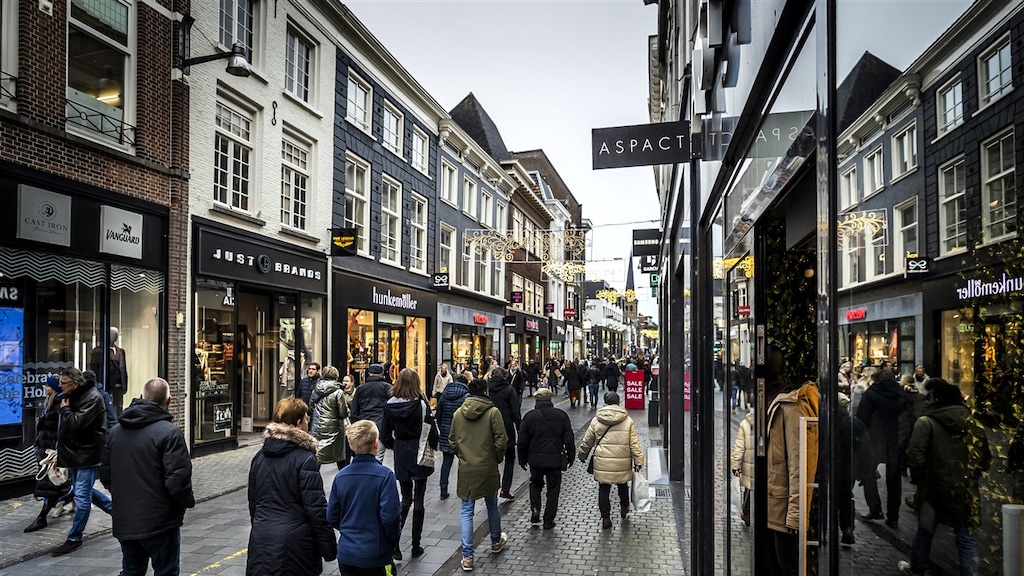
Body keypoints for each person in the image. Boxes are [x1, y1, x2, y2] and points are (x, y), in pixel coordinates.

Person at [100, 377, 195, 576]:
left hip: (126, 519)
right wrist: (184, 503)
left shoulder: (116, 432)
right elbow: (178, 480)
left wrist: (123, 498)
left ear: (141, 396)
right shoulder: (170, 433)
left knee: (132, 571)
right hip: (160, 521)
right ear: (168, 401)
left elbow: (106, 475)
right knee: (166, 571)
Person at [897, 379, 991, 576]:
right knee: (966, 537)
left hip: (933, 488)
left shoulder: (926, 423)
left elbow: (914, 455)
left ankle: (917, 569)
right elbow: (984, 458)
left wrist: (922, 477)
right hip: (965, 489)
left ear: (936, 399)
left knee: (925, 531)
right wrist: (971, 475)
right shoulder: (974, 424)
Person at [246, 397, 336, 576]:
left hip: (261, 540)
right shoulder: (305, 459)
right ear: (299, 423)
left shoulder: (259, 457)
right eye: (306, 419)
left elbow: (254, 502)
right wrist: (329, 548)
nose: (308, 422)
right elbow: (315, 508)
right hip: (295, 545)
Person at [51, 367, 113, 556]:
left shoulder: (92, 398)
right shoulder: (72, 395)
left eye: (63, 383)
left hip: (87, 454)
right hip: (75, 453)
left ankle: (74, 538)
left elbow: (77, 423)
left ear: (75, 384)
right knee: (82, 490)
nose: (59, 385)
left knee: (82, 497)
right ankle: (119, 513)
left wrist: (65, 409)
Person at [327, 420, 402, 576]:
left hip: (347, 554)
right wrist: (392, 540)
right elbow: (390, 517)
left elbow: (332, 516)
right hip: (376, 554)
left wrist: (348, 529)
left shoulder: (341, 477)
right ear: (376, 444)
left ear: (351, 446)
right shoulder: (385, 476)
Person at [448, 378, 508, 572]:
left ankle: (467, 556)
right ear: (486, 391)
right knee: (492, 505)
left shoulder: (458, 413)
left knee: (467, 510)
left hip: (467, 469)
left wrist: (463, 455)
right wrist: (496, 458)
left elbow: (452, 440)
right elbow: (501, 439)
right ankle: (496, 541)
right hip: (487, 466)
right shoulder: (493, 412)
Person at [380, 368, 438, 560]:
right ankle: (416, 545)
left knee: (405, 499)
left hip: (401, 452)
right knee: (419, 499)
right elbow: (431, 429)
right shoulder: (421, 404)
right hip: (419, 449)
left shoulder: (389, 405)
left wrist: (394, 446)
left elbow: (384, 435)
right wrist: (434, 445)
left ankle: (395, 542)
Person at [766, 377, 819, 575]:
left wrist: (796, 514)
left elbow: (800, 463)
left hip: (783, 506)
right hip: (775, 502)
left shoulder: (793, 406)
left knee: (786, 565)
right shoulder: (783, 402)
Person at [577, 391, 644, 529]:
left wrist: (582, 455)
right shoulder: (627, 420)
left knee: (604, 488)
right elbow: (634, 443)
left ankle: (606, 517)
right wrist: (638, 460)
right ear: (618, 402)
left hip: (603, 461)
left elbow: (588, 441)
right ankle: (624, 506)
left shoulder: (596, 420)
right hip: (622, 460)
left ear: (605, 402)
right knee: (622, 485)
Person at [517, 388, 574, 529]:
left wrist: (522, 459)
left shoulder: (529, 416)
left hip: (535, 460)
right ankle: (548, 520)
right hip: (554, 460)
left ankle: (535, 507)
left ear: (536, 400)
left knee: (535, 484)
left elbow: (522, 441)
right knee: (553, 490)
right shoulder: (561, 415)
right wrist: (570, 456)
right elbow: (569, 439)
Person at [857, 366, 906, 529]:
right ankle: (893, 516)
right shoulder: (901, 395)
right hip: (895, 440)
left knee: (868, 474)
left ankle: (875, 508)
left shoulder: (871, 394)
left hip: (874, 440)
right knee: (894, 480)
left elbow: (862, 418)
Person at [24, 376, 73, 533]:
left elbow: (60, 429)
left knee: (50, 485)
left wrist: (56, 450)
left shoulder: (59, 404)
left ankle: (42, 517)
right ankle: (69, 495)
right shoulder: (50, 403)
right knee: (55, 483)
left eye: (48, 385)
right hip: (45, 450)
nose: (45, 388)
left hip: (52, 452)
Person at [837, 392, 868, 547]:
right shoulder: (854, 423)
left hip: (827, 467)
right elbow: (865, 447)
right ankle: (847, 528)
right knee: (846, 497)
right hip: (847, 467)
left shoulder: (823, 421)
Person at [486, 366, 521, 500]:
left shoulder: (487, 389)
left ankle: (491, 489)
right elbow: (516, 413)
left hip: (488, 427)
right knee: (510, 459)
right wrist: (520, 430)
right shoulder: (509, 390)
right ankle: (505, 489)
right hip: (506, 428)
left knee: (491, 459)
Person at [437, 373, 470, 500]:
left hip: (446, 432)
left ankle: (443, 489)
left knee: (446, 462)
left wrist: (442, 429)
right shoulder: (466, 397)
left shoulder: (444, 395)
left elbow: (438, 416)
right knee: (464, 462)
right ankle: (464, 489)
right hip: (462, 433)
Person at [350, 363, 391, 463]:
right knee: (378, 455)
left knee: (363, 451)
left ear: (369, 374)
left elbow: (354, 410)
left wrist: (355, 425)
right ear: (382, 374)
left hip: (364, 424)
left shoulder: (360, 388)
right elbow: (391, 408)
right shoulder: (387, 388)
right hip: (381, 424)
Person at [312, 366, 348, 467]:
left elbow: (311, 406)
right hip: (335, 427)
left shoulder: (316, 389)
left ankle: (313, 475)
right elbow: (343, 413)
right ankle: (344, 475)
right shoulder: (338, 392)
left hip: (317, 426)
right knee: (339, 456)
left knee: (318, 454)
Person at [90, 326, 129, 416]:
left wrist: (124, 385)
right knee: (106, 407)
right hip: (106, 384)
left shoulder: (121, 351)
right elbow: (94, 369)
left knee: (118, 407)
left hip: (119, 386)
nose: (114, 336)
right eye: (112, 334)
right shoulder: (98, 351)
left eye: (115, 334)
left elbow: (123, 370)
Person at [730, 407, 754, 526]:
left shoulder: (745, 423)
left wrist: (735, 465)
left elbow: (739, 447)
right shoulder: (770, 420)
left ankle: (746, 514)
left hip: (749, 466)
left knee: (748, 490)